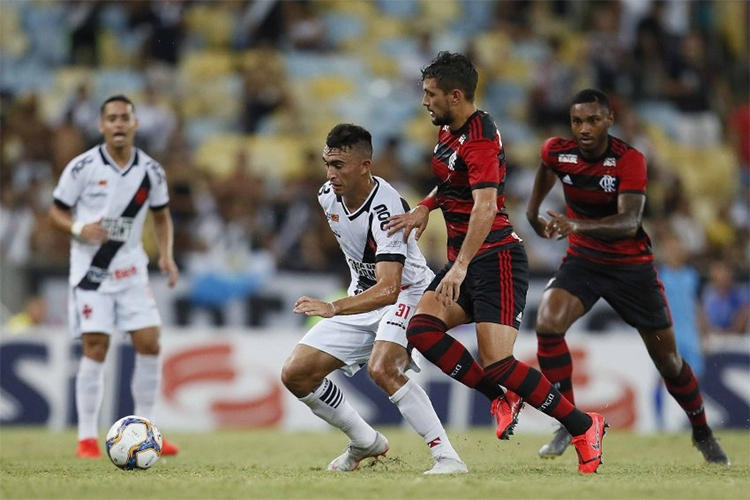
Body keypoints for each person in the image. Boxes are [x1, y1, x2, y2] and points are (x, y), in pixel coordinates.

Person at [384, 51, 606, 474]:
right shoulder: (450, 132)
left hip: (496, 259)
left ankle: (583, 425)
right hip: (466, 260)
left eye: (430, 94)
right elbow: (451, 181)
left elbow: (486, 206)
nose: (424, 101)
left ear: (455, 95)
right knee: (423, 330)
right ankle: (501, 396)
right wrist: (424, 208)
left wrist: (462, 266)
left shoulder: (481, 138)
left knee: (500, 362)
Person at [525, 88, 729, 465]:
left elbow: (629, 221)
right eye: (577, 121)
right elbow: (545, 167)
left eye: (591, 120)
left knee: (669, 363)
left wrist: (574, 224)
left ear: (608, 121)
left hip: (631, 268)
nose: (584, 128)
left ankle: (702, 432)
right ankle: (569, 423)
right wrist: (533, 213)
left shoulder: (629, 159)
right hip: (583, 261)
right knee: (548, 323)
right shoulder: (557, 150)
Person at [280, 123, 468, 475]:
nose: (331, 174)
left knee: (382, 367)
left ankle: (448, 458)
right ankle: (365, 441)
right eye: (328, 164)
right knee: (296, 373)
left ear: (365, 166)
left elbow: (389, 288)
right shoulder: (326, 196)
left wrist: (333, 307)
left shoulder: (387, 210)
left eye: (339, 165)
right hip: (364, 297)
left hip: (409, 294)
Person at [49, 95, 180, 459]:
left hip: (132, 271)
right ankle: (87, 438)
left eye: (125, 117)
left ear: (136, 124)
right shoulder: (82, 167)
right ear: (101, 126)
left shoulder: (151, 171)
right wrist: (78, 227)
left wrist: (166, 255)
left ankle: (148, 429)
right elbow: (55, 211)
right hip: (92, 274)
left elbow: (162, 216)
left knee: (150, 343)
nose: (119, 124)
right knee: (96, 348)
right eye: (112, 118)